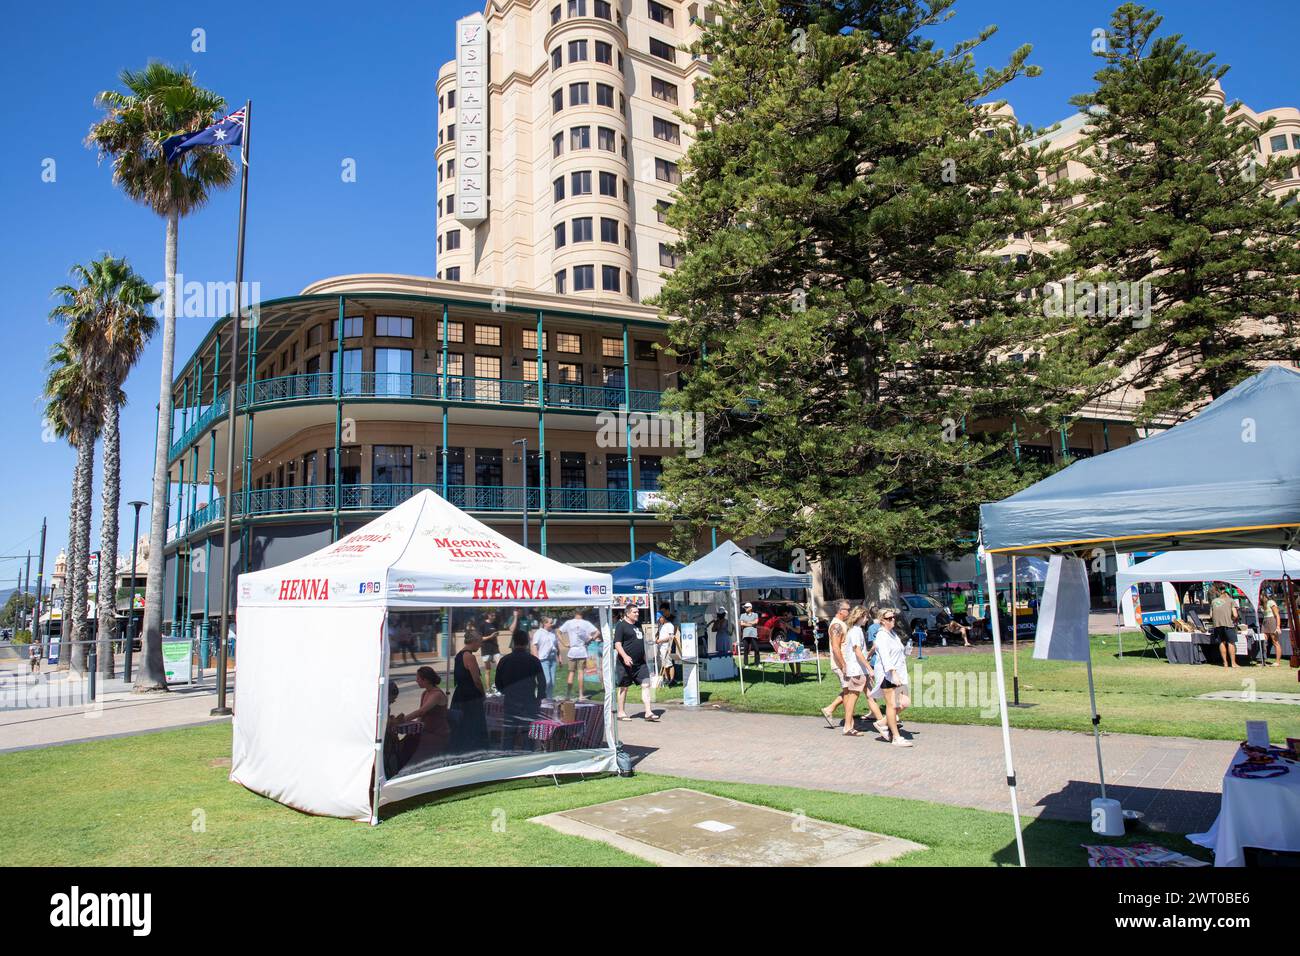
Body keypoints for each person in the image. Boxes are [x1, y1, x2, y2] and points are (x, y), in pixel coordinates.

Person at [497, 630, 547, 749]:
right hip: (528, 701)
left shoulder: (505, 660)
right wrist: (539, 697)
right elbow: (542, 681)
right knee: (527, 736)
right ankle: (527, 758)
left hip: (511, 701)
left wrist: (505, 692)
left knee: (509, 735)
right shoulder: (533, 660)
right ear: (526, 642)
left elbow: (498, 682)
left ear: (514, 642)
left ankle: (506, 757)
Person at [870, 607, 912, 746]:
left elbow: (898, 652)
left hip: (900, 674)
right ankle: (896, 737)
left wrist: (906, 650)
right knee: (892, 706)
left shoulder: (892, 633)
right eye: (889, 618)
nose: (893, 620)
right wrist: (893, 673)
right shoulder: (882, 636)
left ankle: (883, 722)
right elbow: (885, 657)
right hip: (889, 676)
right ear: (882, 620)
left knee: (905, 702)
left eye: (893, 617)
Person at [614, 605, 655, 721]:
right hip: (625, 663)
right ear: (627, 613)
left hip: (640, 663)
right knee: (624, 687)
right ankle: (621, 712)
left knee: (646, 684)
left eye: (638, 612)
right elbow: (617, 644)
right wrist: (625, 656)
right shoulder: (621, 626)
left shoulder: (638, 625)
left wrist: (646, 658)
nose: (637, 614)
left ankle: (648, 712)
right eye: (634, 612)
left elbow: (641, 643)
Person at [402, 666, 452, 763]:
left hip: (438, 734)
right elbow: (420, 717)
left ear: (426, 680)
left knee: (410, 747)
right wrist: (413, 727)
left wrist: (402, 720)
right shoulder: (425, 693)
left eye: (418, 678)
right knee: (407, 741)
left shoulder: (436, 694)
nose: (416, 681)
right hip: (426, 731)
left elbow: (421, 711)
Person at [450, 630, 488, 751]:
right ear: (474, 641)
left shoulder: (459, 655)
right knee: (472, 724)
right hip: (470, 696)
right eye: (480, 642)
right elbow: (476, 680)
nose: (480, 645)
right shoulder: (469, 657)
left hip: (460, 694)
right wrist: (483, 694)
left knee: (461, 725)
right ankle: (473, 749)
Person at [820, 601, 852, 727]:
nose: (849, 611)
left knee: (849, 691)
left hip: (844, 663)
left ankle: (830, 709)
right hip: (840, 664)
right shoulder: (836, 626)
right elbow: (835, 648)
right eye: (847, 609)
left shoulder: (841, 624)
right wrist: (843, 665)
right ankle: (849, 724)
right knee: (849, 693)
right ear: (840, 611)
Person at [559, 609, 599, 700]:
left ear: (575, 614)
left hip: (572, 650)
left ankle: (568, 695)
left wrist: (564, 643)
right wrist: (590, 639)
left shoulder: (569, 622)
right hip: (582, 650)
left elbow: (559, 631)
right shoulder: (586, 623)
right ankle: (581, 695)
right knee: (580, 672)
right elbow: (597, 632)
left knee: (571, 672)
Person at [1209, 585, 1239, 668]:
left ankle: (1225, 663)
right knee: (1231, 643)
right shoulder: (1231, 601)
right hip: (1228, 624)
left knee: (1221, 643)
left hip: (1217, 625)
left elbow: (1210, 615)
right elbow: (1235, 615)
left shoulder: (1214, 601)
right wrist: (1232, 618)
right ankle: (1233, 663)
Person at [531, 616, 560, 697]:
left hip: (553, 659)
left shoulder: (553, 633)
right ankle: (540, 696)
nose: (552, 624)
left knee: (552, 682)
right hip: (543, 660)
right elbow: (534, 646)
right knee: (546, 681)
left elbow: (556, 645)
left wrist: (559, 657)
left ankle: (549, 698)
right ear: (545, 623)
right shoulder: (539, 633)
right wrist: (536, 658)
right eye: (550, 623)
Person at [655, 608, 680, 687]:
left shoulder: (669, 625)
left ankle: (672, 679)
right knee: (664, 664)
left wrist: (660, 640)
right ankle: (667, 679)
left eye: (660, 619)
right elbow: (659, 634)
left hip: (667, 647)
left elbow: (671, 637)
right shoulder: (661, 626)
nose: (659, 621)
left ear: (663, 617)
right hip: (661, 648)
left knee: (669, 664)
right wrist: (657, 637)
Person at [1260, 589, 1283, 666]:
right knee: (1263, 641)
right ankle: (1263, 660)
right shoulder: (1261, 604)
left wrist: (1278, 626)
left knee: (1275, 641)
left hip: (1272, 620)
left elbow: (1277, 615)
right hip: (1265, 621)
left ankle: (1277, 662)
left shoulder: (1271, 602)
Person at [738, 602, 760, 667]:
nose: (745, 608)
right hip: (745, 634)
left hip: (753, 634)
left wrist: (746, 623)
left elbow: (756, 622)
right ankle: (746, 664)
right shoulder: (742, 615)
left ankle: (757, 663)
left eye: (746, 607)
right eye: (745, 607)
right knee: (745, 650)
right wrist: (751, 624)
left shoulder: (755, 614)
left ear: (750, 608)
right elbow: (741, 624)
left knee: (756, 649)